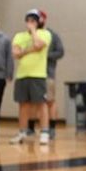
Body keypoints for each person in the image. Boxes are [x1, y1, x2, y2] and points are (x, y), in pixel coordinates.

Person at [10, 9, 52, 145]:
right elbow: (15, 53)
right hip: (22, 74)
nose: (30, 23)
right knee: (23, 104)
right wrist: (29, 49)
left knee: (41, 103)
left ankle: (45, 132)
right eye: (28, 20)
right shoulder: (19, 36)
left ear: (38, 22)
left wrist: (33, 31)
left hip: (38, 75)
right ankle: (22, 131)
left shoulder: (45, 33)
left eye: (33, 20)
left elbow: (39, 45)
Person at [27, 10, 65, 139]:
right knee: (31, 101)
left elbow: (60, 52)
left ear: (43, 19)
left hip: (47, 73)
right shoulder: (29, 35)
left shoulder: (52, 35)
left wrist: (45, 55)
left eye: (39, 18)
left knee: (50, 101)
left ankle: (52, 128)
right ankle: (30, 128)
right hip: (32, 73)